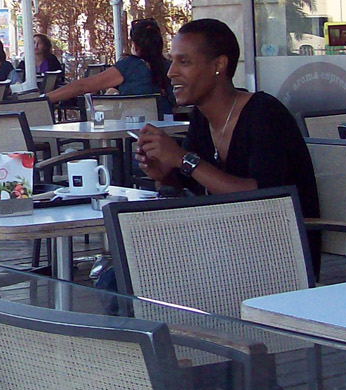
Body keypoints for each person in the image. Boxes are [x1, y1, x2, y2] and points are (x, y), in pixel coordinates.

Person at [134, 18, 321, 270]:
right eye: (172, 60)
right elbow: (193, 187)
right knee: (129, 267)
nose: (171, 72)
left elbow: (264, 198)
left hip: (279, 256)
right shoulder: (202, 118)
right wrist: (163, 174)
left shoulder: (264, 114)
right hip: (223, 246)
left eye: (184, 62)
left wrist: (183, 159)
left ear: (219, 65)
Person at [47, 17, 173, 106]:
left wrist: (45, 98)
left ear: (134, 45)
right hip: (167, 129)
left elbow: (83, 87)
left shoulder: (130, 65)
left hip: (136, 130)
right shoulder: (169, 66)